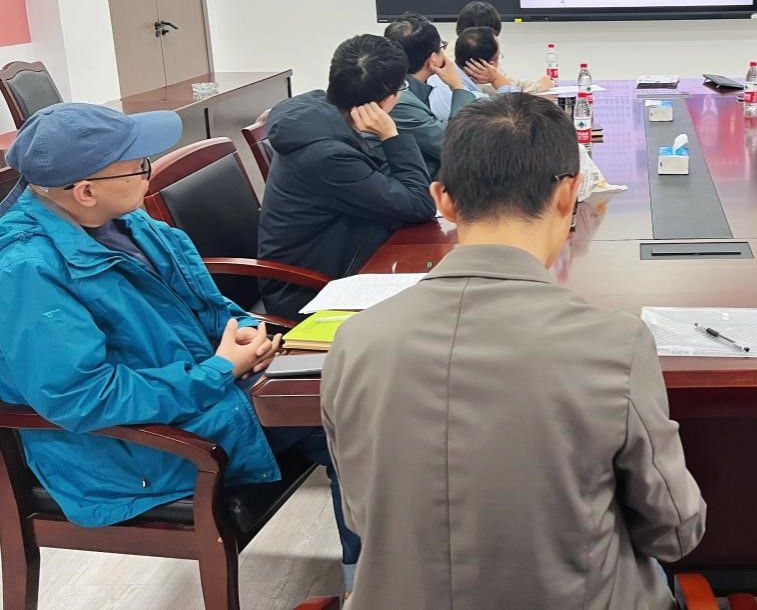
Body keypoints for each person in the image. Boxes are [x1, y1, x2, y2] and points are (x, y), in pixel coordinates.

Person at [323, 93, 706, 609]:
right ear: (569, 194)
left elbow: (361, 517)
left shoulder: (354, 341)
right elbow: (674, 533)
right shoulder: (614, 344)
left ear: (443, 200)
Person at [0, 104, 360, 590]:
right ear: (85, 191)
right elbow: (83, 397)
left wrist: (244, 331)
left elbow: (208, 307)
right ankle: (375, 586)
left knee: (360, 408)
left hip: (193, 398)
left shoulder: (130, 224)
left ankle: (376, 579)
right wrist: (218, 371)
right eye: (139, 165)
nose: (149, 172)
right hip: (128, 450)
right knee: (353, 423)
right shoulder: (26, 271)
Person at [258, 34, 438, 317]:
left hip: (347, 254)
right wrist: (391, 135)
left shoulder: (323, 113)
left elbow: (390, 183)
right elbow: (420, 204)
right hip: (310, 289)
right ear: (387, 100)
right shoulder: (329, 156)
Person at [383, 15, 477, 177]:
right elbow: (458, 146)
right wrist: (457, 86)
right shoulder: (399, 101)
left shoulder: (396, 85)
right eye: (442, 47)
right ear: (433, 59)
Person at [455, 0, 554, 94]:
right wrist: (537, 87)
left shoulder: (460, 49)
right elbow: (505, 94)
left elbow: (505, 81)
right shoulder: (477, 67)